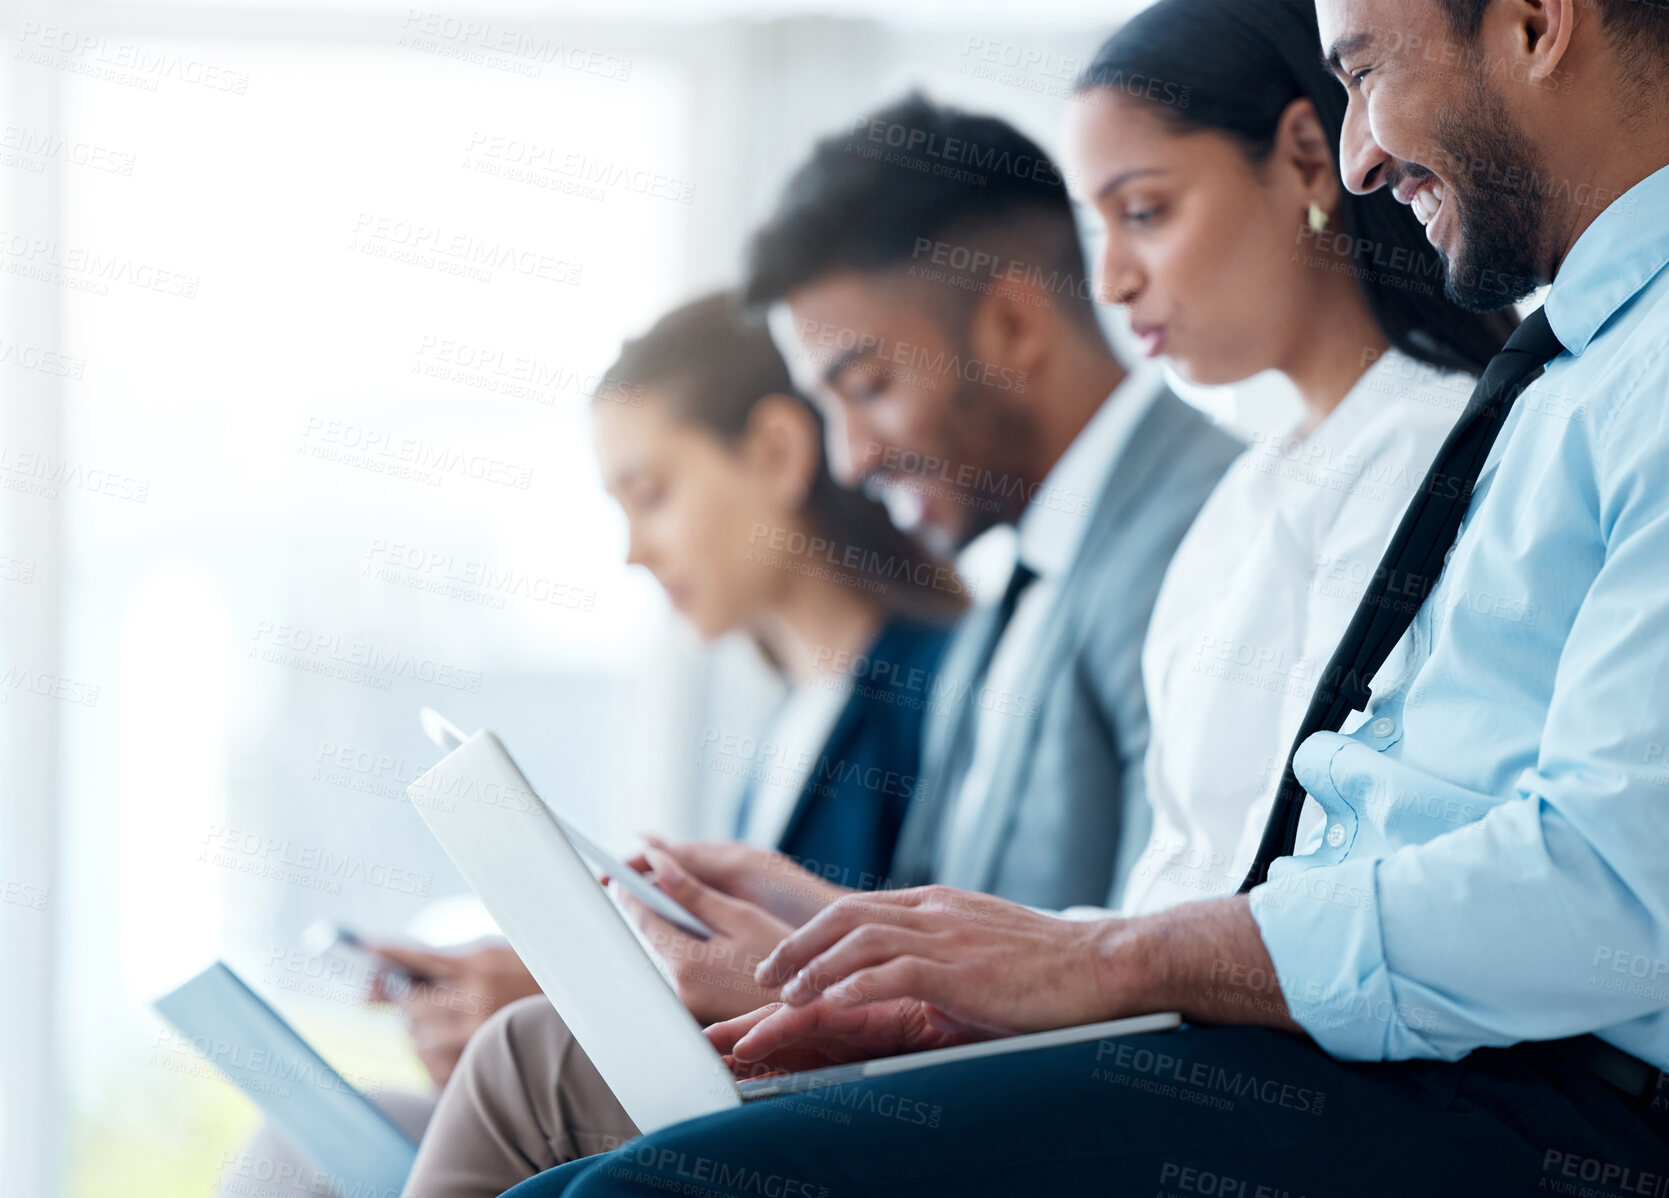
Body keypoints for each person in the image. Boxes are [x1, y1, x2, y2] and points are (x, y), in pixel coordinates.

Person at [499, 0, 1669, 1192]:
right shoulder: (1547, 389)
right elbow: (1260, 875)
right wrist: (945, 971)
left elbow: (1620, 886)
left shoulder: (1544, 404)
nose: (1363, 154)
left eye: (1365, 74)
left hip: (1497, 1094)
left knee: (609, 1164)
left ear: (1533, 21)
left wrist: (1096, 968)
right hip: (1359, 1053)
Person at [401, 98, 1240, 1198]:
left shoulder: (1199, 536)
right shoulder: (1016, 591)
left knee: (529, 1061)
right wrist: (800, 918)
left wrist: (801, 986)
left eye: (869, 387)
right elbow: (970, 908)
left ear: (1010, 329)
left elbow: (1161, 958)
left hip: (1049, 1112)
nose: (849, 460)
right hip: (972, 1078)